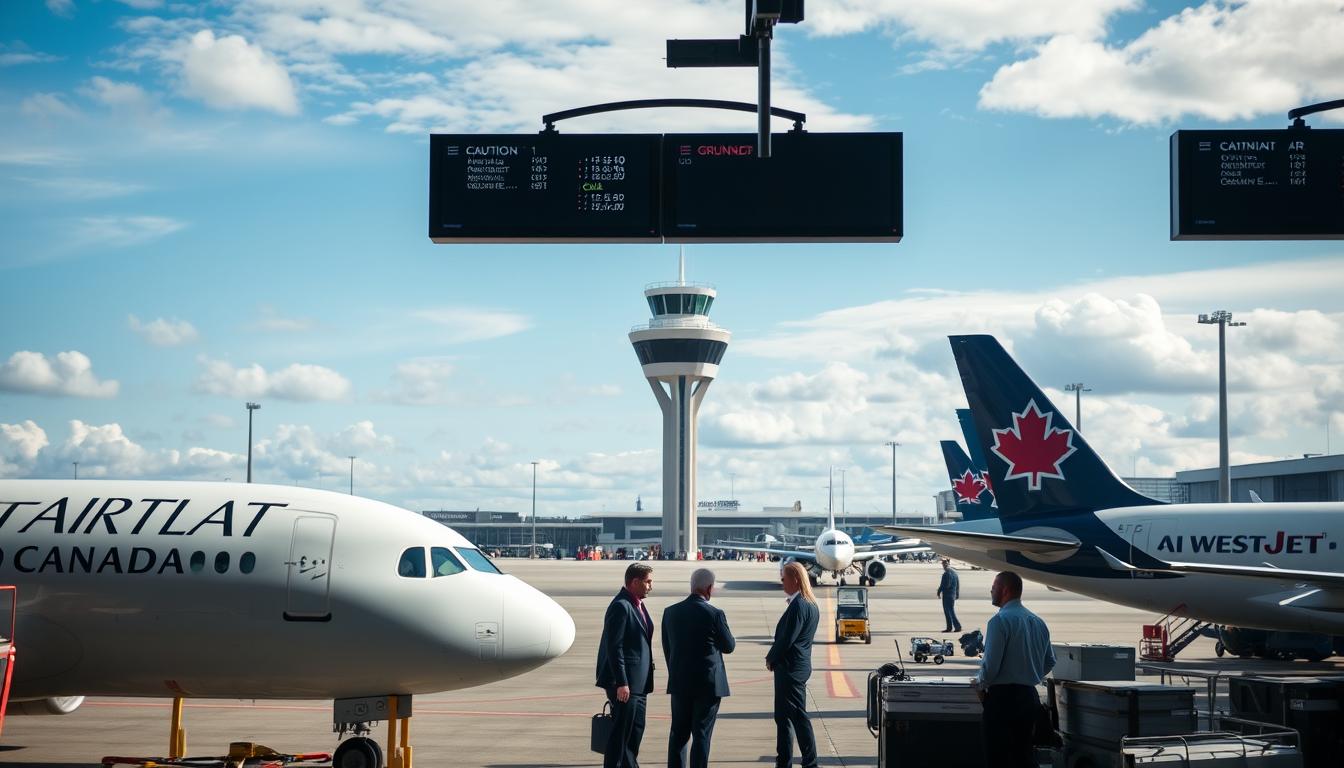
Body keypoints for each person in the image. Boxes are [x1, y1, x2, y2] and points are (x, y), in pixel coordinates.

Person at [975, 571, 1055, 768]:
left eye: (994, 587)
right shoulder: (1037, 622)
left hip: (1003, 699)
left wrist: (980, 686)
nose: (991, 591)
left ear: (1005, 590)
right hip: (1029, 697)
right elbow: (1050, 661)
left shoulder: (999, 621)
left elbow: (990, 666)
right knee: (1023, 756)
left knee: (998, 757)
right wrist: (1029, 673)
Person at [661, 568, 735, 768]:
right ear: (709, 588)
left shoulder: (670, 612)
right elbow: (729, 646)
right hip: (707, 686)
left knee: (678, 734)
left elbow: (668, 649)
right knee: (701, 735)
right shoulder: (715, 614)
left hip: (680, 683)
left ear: (692, 586)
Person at [597, 562, 656, 768]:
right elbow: (614, 647)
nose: (651, 586)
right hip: (625, 685)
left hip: (639, 684)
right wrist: (621, 682)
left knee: (634, 733)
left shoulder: (637, 604)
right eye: (648, 582)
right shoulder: (621, 606)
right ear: (635, 582)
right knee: (621, 737)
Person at [766, 561, 820, 768]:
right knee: (783, 717)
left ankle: (810, 761)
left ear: (795, 580)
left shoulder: (800, 605)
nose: (781, 583)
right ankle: (784, 760)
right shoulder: (809, 603)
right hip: (794, 667)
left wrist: (771, 657)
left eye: (783, 579)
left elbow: (787, 638)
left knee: (797, 716)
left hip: (791, 669)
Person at [937, 558, 962, 633]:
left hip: (947, 595)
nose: (943, 566)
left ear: (945, 565)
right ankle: (949, 627)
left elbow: (945, 585)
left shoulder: (946, 573)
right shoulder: (954, 573)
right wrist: (957, 594)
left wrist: (939, 592)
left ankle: (957, 626)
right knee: (949, 611)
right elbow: (958, 584)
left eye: (943, 564)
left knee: (949, 611)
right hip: (952, 594)